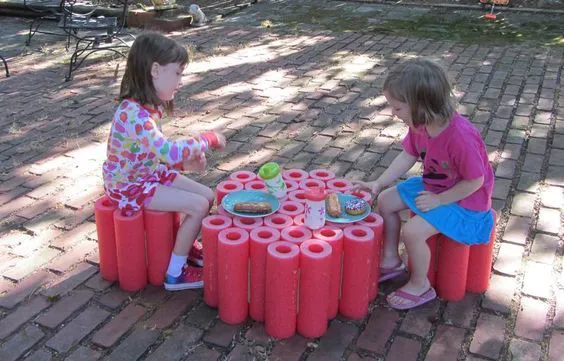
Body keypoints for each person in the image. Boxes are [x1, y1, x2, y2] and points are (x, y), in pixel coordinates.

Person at [353, 58, 494, 310]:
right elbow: (408, 154)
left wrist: (439, 200)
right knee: (385, 200)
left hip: (465, 200)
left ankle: (420, 285)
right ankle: (390, 260)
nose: (393, 114)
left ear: (421, 105)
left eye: (397, 108)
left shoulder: (460, 137)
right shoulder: (419, 125)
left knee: (413, 231)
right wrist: (378, 182)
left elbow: (476, 180)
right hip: (436, 187)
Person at [102, 32, 225, 291]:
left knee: (207, 195)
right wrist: (207, 139)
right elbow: (168, 151)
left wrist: (183, 166)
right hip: (128, 187)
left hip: (146, 174)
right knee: (199, 206)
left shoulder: (148, 108)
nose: (180, 81)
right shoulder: (133, 113)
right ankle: (175, 273)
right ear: (155, 70)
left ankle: (187, 245)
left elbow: (151, 155)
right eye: (178, 73)